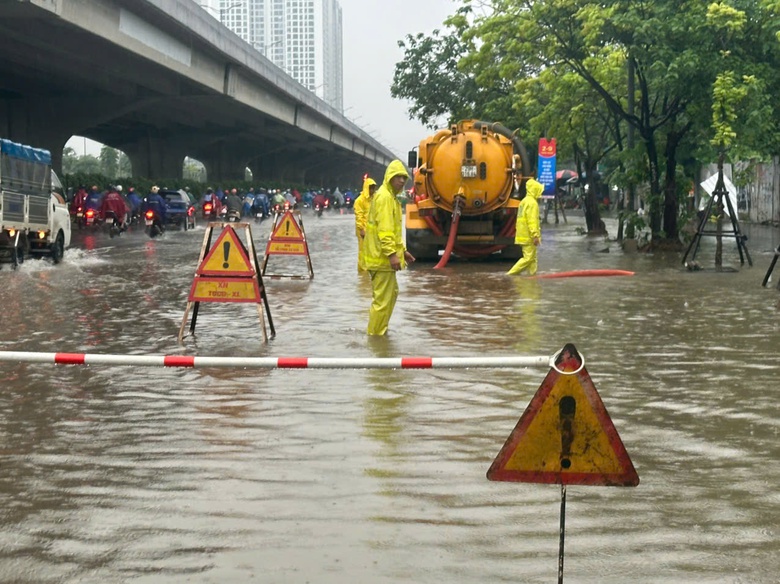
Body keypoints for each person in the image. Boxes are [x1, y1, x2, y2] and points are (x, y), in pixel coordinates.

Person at [364, 160, 415, 335]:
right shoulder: (385, 197)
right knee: (382, 301)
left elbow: (394, 232)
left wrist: (403, 251)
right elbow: (385, 231)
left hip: (383, 258)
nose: (401, 180)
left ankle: (380, 332)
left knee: (391, 294)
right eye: (398, 177)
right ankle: (375, 337)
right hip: (381, 259)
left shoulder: (391, 197)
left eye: (404, 177)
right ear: (389, 177)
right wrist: (392, 255)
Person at [507, 177, 543, 276]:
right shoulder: (532, 203)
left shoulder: (524, 201)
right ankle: (510, 274)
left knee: (532, 258)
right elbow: (532, 221)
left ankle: (532, 277)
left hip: (523, 234)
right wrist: (535, 235)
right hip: (528, 236)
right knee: (528, 258)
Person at [354, 176, 377, 272]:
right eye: (370, 188)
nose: (372, 190)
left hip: (372, 230)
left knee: (372, 251)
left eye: (373, 188)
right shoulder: (359, 201)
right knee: (363, 252)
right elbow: (359, 216)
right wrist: (361, 229)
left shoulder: (374, 199)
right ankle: (362, 271)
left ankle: (370, 270)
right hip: (363, 230)